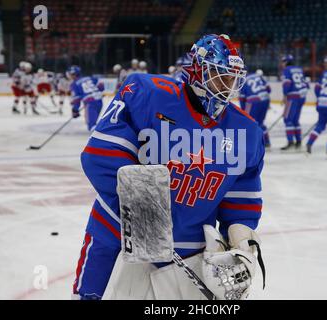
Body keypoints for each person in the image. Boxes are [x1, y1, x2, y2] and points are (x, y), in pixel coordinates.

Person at [72, 34, 265, 300]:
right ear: (197, 70)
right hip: (119, 232)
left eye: (232, 78)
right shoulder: (148, 94)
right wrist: (142, 210)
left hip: (190, 250)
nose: (227, 86)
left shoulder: (246, 131)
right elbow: (100, 155)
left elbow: (241, 201)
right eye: (220, 75)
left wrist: (241, 240)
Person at [280, 54, 309, 151]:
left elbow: (287, 83)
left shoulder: (287, 70)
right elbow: (306, 84)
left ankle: (290, 142)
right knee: (295, 120)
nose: (282, 64)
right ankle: (299, 141)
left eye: (283, 61)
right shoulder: (299, 69)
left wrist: (285, 95)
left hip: (292, 96)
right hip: (302, 96)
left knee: (287, 119)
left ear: (286, 62)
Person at [239, 69, 272, 148]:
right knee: (260, 122)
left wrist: (243, 112)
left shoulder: (241, 80)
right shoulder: (256, 75)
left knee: (249, 122)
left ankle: (252, 143)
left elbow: (242, 99)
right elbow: (269, 89)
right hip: (265, 99)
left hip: (253, 101)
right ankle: (266, 141)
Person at [67, 65, 104, 131]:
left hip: (90, 103)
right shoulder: (90, 77)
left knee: (91, 125)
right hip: (99, 101)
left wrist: (75, 110)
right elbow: (101, 86)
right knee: (93, 123)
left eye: (70, 74)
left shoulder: (74, 84)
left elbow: (77, 99)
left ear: (73, 74)